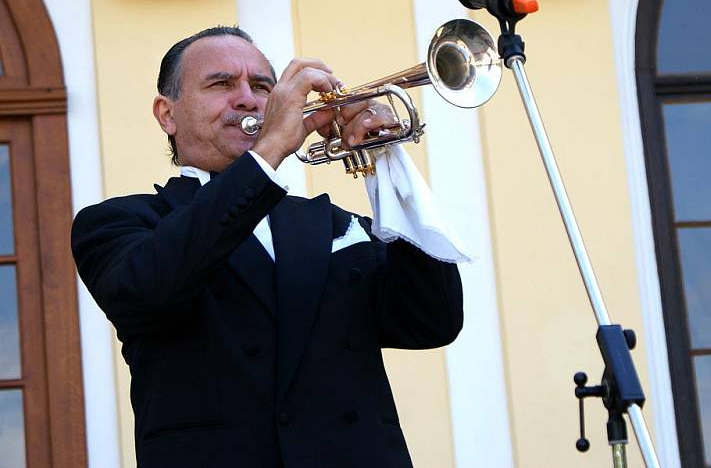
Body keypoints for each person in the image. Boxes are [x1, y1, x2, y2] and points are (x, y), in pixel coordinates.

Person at [71, 26, 464, 468]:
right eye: (221, 84)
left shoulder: (336, 222)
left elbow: (432, 321)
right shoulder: (120, 222)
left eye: (261, 87)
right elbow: (149, 289)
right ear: (167, 114)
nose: (246, 99)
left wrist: (387, 163)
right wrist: (272, 146)